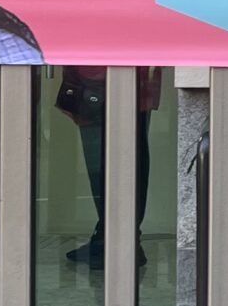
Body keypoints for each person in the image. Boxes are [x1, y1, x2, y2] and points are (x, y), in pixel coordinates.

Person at [56, 65, 158, 268]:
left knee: (106, 163)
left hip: (103, 76)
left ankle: (116, 241)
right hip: (128, 77)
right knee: (128, 159)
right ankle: (111, 237)